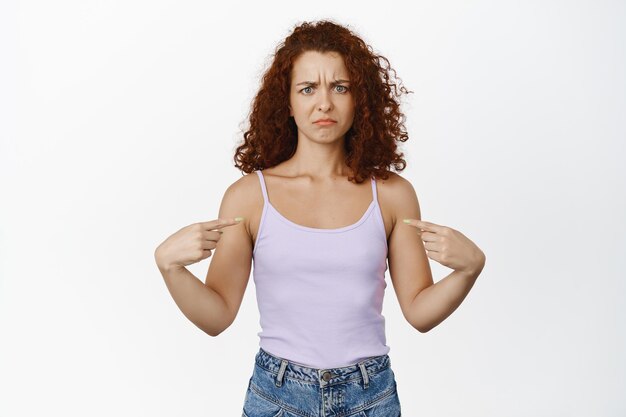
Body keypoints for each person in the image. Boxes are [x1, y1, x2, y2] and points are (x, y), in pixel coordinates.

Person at [154, 19, 486, 417]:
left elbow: (418, 311)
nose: (324, 103)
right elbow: (217, 316)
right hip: (277, 396)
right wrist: (169, 267)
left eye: (339, 87)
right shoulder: (248, 197)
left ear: (358, 99)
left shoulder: (393, 195)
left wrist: (469, 269)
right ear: (287, 102)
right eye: (308, 88)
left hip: (370, 395)